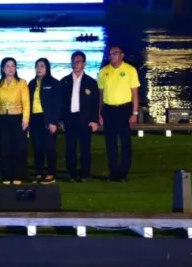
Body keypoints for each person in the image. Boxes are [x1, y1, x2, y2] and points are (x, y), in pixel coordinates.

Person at [98, 45, 141, 182]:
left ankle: (123, 173)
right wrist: (99, 112)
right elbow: (101, 94)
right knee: (110, 143)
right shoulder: (104, 71)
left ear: (122, 55)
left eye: (115, 53)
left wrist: (134, 113)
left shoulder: (130, 70)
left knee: (125, 142)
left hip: (124, 109)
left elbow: (135, 94)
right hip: (108, 110)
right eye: (110, 53)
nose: (112, 56)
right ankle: (113, 172)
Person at [60, 51, 99, 182]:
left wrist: (94, 120)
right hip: (70, 119)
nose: (75, 64)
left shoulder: (91, 82)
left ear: (84, 64)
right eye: (74, 61)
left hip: (85, 119)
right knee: (70, 147)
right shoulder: (64, 81)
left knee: (85, 147)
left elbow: (95, 103)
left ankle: (84, 173)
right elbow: (61, 102)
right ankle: (72, 173)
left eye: (78, 61)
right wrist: (61, 120)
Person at [0, 57, 30, 185]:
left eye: (13, 66)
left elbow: (26, 102)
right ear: (3, 69)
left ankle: (18, 175)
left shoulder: (21, 83)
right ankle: (6, 176)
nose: (10, 69)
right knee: (5, 148)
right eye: (7, 66)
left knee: (18, 147)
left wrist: (26, 119)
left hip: (18, 118)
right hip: (3, 118)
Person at [28, 58, 61, 184]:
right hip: (35, 119)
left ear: (47, 68)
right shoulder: (31, 84)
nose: (39, 69)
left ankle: (51, 173)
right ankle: (39, 172)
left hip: (48, 119)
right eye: (37, 66)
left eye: (42, 66)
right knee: (37, 147)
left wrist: (54, 121)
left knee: (49, 147)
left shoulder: (54, 83)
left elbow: (57, 104)